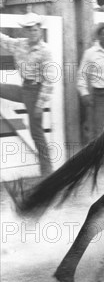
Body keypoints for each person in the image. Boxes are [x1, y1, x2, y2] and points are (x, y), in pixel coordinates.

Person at [0, 13, 54, 176]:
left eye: (35, 29)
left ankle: (47, 170)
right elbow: (3, 40)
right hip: (24, 88)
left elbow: (49, 81)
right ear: (25, 31)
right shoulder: (19, 45)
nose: (33, 32)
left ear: (40, 30)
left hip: (36, 92)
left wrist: (39, 104)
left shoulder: (45, 51)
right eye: (29, 30)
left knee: (36, 132)